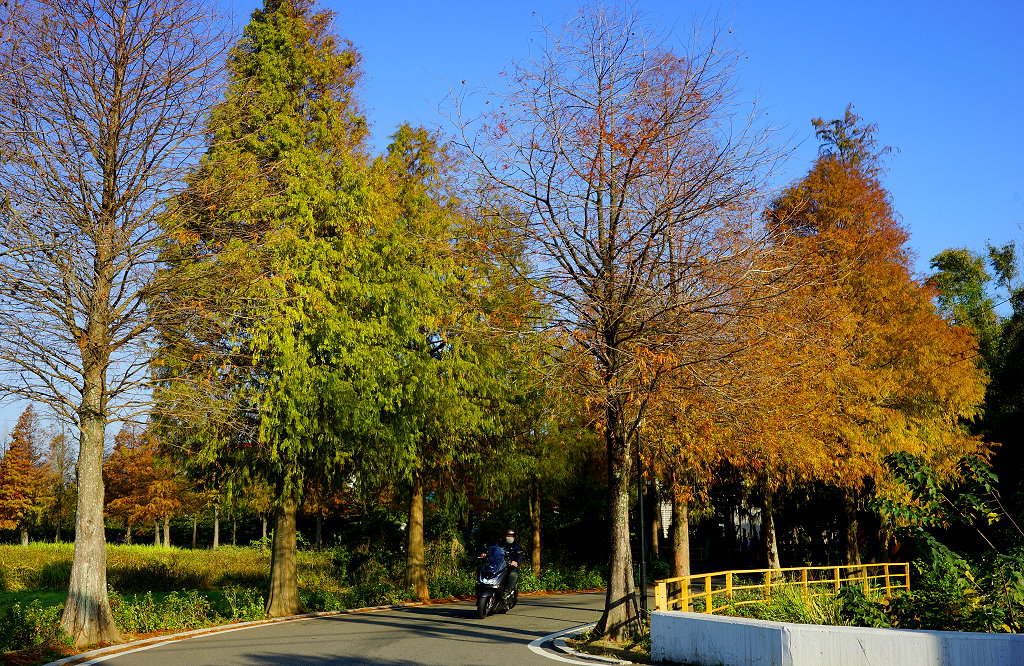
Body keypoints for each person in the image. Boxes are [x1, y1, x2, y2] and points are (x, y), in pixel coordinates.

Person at [481, 529, 524, 599]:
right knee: (482, 570)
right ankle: (481, 587)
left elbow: (519, 556)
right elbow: (490, 550)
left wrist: (515, 561)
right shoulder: (498, 544)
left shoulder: (516, 547)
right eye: (508, 535)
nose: (509, 537)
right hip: (497, 566)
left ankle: (506, 593)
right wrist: (485, 554)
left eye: (511, 536)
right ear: (504, 536)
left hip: (509, 567)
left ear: (514, 537)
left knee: (513, 575)